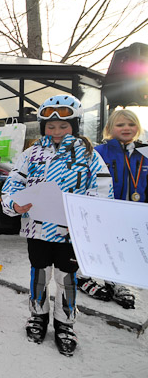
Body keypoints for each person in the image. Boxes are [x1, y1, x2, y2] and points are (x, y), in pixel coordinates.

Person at [1, 94, 113, 357]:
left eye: (64, 126)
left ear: (74, 125)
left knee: (66, 278)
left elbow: (103, 189)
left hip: (70, 233)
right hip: (37, 229)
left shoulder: (88, 155)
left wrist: (89, 217)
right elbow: (13, 185)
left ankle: (65, 324)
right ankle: (38, 317)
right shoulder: (31, 154)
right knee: (39, 274)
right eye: (51, 127)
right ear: (43, 127)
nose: (57, 131)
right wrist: (14, 205)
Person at [77, 109, 144, 309]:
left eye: (131, 124)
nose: (126, 128)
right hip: (103, 210)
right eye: (120, 125)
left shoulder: (145, 152)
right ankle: (82, 276)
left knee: (123, 246)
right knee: (95, 243)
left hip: (133, 210)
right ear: (109, 129)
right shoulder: (98, 152)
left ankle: (117, 281)